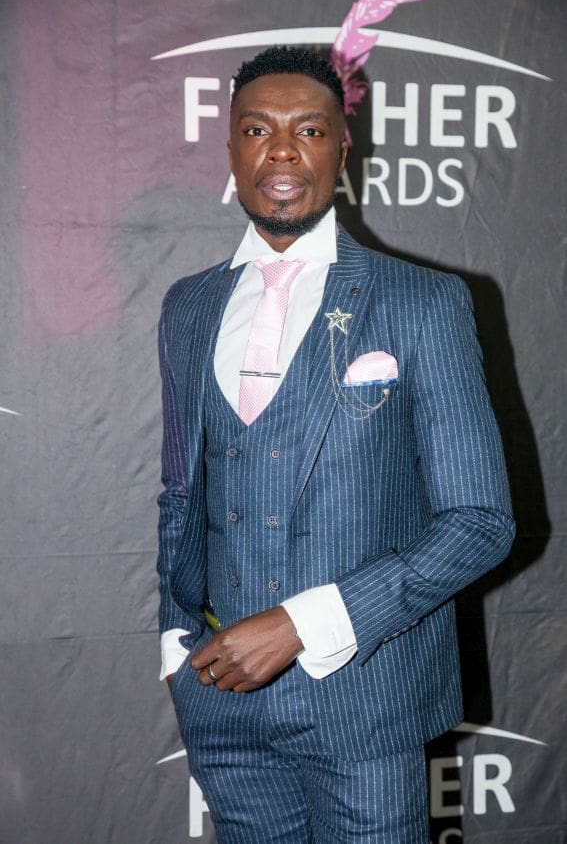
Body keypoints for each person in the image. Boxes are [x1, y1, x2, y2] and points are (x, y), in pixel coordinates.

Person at [156, 46, 514, 844]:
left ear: (341, 149)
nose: (282, 151)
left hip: (364, 700)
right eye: (258, 129)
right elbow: (180, 490)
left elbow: (479, 522)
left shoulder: (420, 301)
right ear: (231, 148)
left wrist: (300, 624)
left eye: (309, 130)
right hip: (219, 700)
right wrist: (175, 645)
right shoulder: (188, 305)